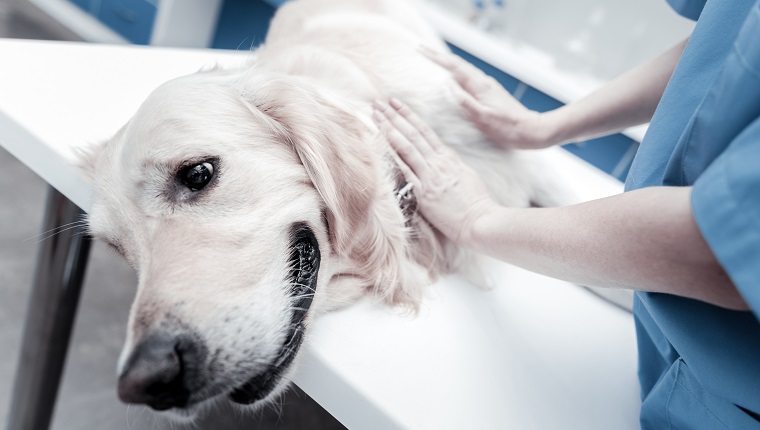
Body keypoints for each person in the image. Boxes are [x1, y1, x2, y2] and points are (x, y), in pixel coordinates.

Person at [372, 0, 760, 428]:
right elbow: (721, 49)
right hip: (666, 347)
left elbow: (711, 247)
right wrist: (541, 127)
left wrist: (477, 219)